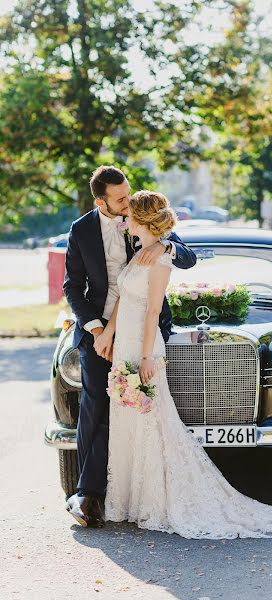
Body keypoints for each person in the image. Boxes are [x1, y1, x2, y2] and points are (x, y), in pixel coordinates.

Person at [100, 189, 272, 539]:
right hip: (125, 339)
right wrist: (108, 332)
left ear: (142, 218)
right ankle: (127, 498)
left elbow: (159, 300)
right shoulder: (135, 249)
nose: (125, 218)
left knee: (152, 421)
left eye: (130, 214)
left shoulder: (162, 255)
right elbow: (123, 297)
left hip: (142, 342)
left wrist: (145, 357)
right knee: (129, 419)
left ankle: (152, 497)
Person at [63, 166, 196, 527]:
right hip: (98, 331)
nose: (127, 203)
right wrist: (97, 330)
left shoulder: (140, 216)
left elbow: (187, 255)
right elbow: (72, 287)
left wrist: (167, 245)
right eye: (119, 199)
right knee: (95, 407)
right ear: (100, 200)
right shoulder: (81, 231)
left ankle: (136, 491)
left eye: (128, 193)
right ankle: (88, 494)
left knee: (134, 410)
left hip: (140, 331)